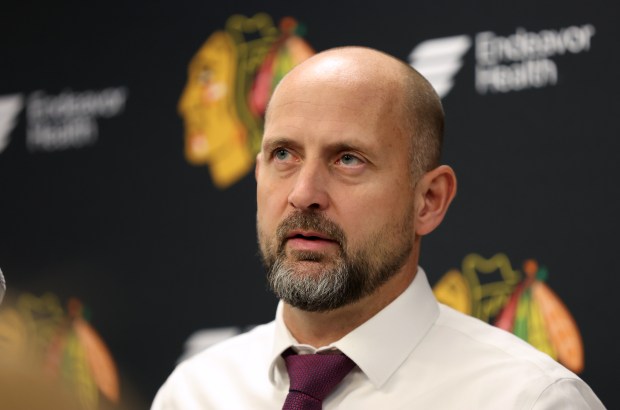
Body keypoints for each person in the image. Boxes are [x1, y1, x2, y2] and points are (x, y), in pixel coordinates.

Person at [152, 46, 604, 409]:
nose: (303, 193)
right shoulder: (193, 393)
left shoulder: (527, 400)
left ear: (429, 200)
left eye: (348, 159)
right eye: (284, 155)